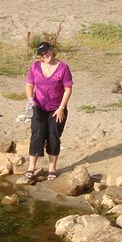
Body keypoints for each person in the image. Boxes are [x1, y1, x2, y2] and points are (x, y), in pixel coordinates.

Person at [24, 41, 73, 181]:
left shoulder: (63, 68)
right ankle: (31, 167)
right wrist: (30, 99)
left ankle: (52, 168)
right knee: (37, 135)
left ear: (52, 50)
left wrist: (61, 108)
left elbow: (68, 89)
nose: (45, 55)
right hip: (38, 106)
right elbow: (29, 84)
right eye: (41, 54)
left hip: (57, 109)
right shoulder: (35, 66)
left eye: (46, 52)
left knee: (53, 137)